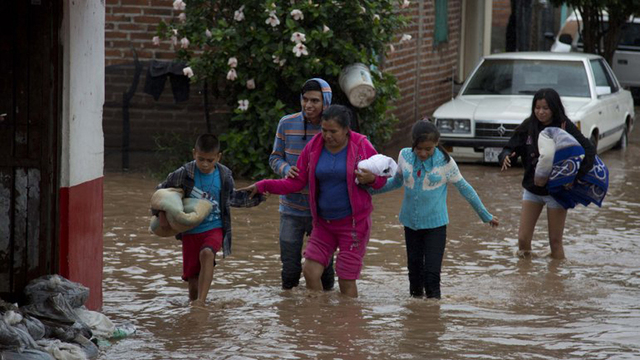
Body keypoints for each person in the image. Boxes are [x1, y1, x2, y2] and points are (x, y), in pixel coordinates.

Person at [242, 105, 387, 297]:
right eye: (324, 130)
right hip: (323, 223)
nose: (327, 135)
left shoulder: (361, 145)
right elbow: (295, 182)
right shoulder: (314, 146)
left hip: (353, 225)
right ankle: (320, 320)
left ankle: (349, 323)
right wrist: (262, 185)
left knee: (346, 279)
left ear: (346, 130)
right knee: (310, 271)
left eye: (333, 131)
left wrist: (373, 179)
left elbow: (383, 178)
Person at [371, 120, 499, 299]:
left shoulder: (446, 163)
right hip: (411, 224)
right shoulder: (404, 156)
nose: (423, 153)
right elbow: (396, 182)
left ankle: (434, 318)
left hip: (436, 227)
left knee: (432, 275)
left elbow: (465, 189)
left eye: (428, 149)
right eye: (419, 148)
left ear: (436, 144)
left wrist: (485, 215)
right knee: (414, 274)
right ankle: (417, 318)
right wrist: (368, 191)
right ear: (413, 143)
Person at [154, 134, 261, 307]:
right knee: (192, 278)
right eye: (200, 159)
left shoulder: (224, 175)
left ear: (218, 157)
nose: (204, 164)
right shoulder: (185, 173)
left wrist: (259, 196)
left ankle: (201, 303)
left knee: (207, 254)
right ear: (193, 153)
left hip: (215, 227)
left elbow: (232, 198)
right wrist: (161, 214)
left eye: (210, 160)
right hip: (190, 230)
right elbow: (161, 191)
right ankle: (194, 305)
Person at [498, 88, 595, 260]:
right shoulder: (529, 125)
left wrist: (574, 177)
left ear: (554, 109)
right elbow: (510, 147)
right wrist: (506, 156)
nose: (540, 112)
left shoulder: (565, 126)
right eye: (537, 107)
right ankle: (525, 277)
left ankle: (557, 283)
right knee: (522, 239)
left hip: (557, 191)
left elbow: (588, 150)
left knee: (555, 242)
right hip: (532, 189)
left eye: (545, 108)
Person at [269, 78, 335, 290]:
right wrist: (287, 170)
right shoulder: (286, 123)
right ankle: (289, 313)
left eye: (315, 101)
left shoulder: (332, 129)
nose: (308, 105)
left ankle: (328, 313)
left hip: (323, 210)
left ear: (326, 102)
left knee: (325, 268)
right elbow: (274, 158)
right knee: (289, 269)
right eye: (305, 99)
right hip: (291, 208)